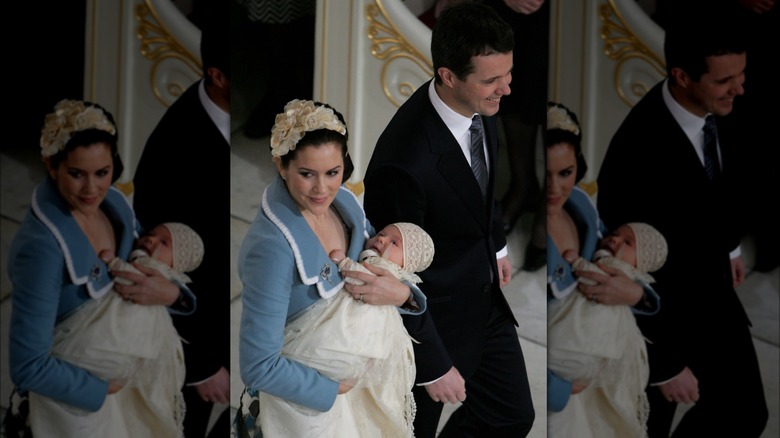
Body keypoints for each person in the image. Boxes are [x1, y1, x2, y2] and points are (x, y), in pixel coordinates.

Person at [362, 3, 535, 436]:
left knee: (513, 416)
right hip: (432, 325)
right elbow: (392, 275)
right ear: (448, 75)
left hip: (483, 299)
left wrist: (494, 244)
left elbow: (482, 186)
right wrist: (435, 365)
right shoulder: (404, 163)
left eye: (508, 74)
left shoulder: (480, 106)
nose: (506, 89)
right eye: (492, 80)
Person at [596, 14, 769, 437]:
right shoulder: (635, 153)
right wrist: (667, 365)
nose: (740, 88)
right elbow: (624, 269)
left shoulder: (727, 106)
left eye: (742, 74)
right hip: (663, 319)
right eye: (726, 80)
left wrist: (728, 246)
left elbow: (727, 186)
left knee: (746, 411)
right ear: (682, 76)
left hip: (714, 298)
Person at [236, 99, 428, 437]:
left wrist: (402, 294)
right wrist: (333, 390)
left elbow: (378, 266)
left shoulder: (347, 206)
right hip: (308, 403)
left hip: (360, 391)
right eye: (306, 174)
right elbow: (258, 366)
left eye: (332, 172)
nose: (322, 189)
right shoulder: (272, 249)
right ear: (281, 165)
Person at [7, 99, 196, 437]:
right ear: (51, 166)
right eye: (76, 174)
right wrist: (102, 390)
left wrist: (171, 294)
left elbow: (147, 266)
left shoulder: (116, 206)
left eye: (102, 173)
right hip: (81, 402)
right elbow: (28, 367)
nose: (91, 189)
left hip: (129, 384)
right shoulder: (41, 249)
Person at [132, 16, 232, 437]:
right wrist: (204, 365)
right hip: (198, 343)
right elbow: (160, 269)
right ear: (217, 76)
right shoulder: (172, 150)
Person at [545, 102, 661, 438]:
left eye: (565, 173)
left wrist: (637, 292)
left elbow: (624, 262)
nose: (554, 189)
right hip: (560, 388)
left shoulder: (581, 205)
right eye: (546, 174)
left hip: (596, 372)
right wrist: (559, 390)